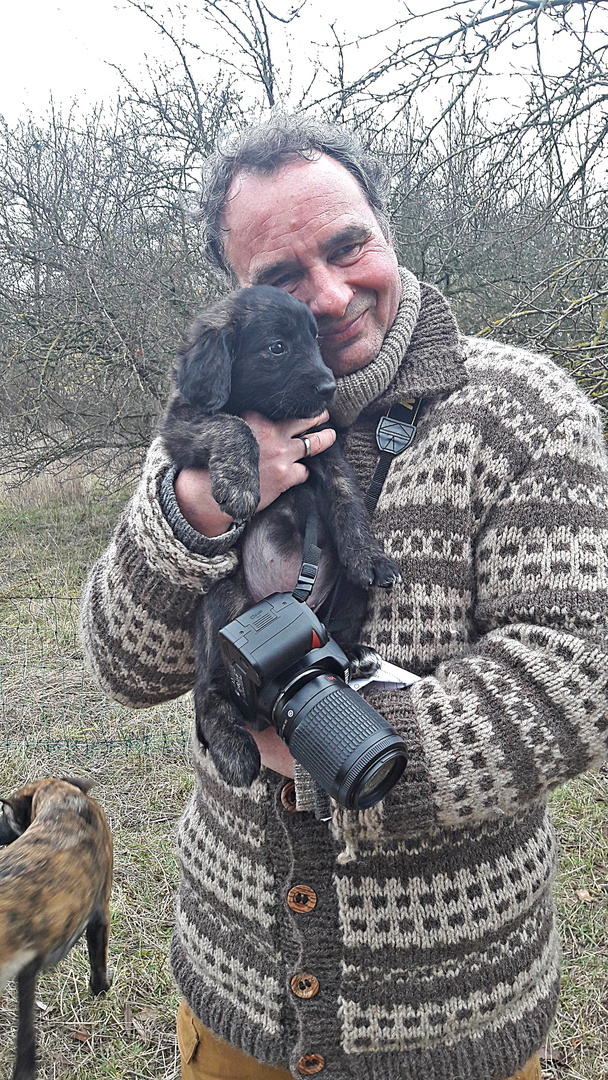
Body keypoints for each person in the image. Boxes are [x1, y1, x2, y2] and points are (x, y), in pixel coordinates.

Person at [80, 116, 608, 1080]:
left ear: (385, 228)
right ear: (239, 294)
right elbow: (125, 664)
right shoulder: (211, 417)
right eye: (283, 277)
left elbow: (580, 671)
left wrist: (353, 746)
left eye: (347, 245)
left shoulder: (526, 408)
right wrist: (193, 510)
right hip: (236, 992)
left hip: (451, 1020)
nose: (328, 295)